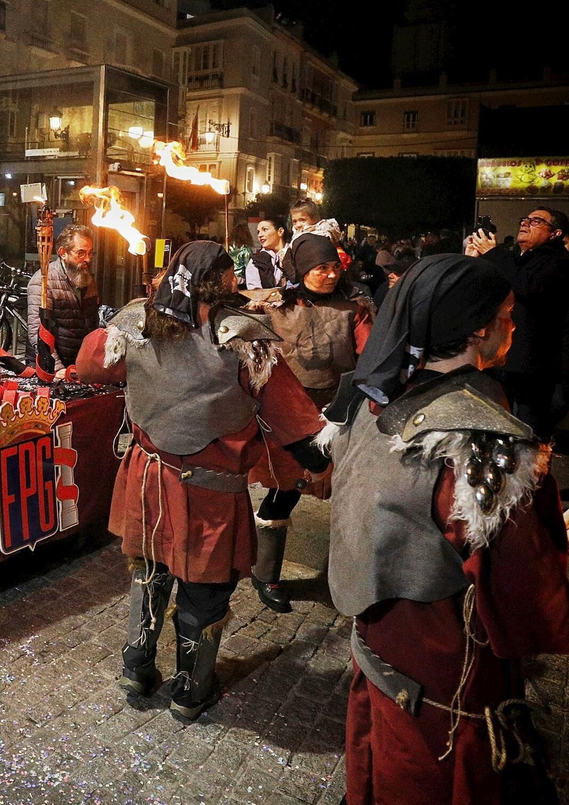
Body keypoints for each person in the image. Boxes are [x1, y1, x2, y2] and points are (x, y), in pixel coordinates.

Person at [322, 254, 569, 804]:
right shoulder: (483, 442)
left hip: (379, 649)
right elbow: (523, 603)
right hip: (447, 673)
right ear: (479, 328)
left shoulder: (366, 400)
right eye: (508, 314)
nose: (513, 325)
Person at [73, 241, 327, 720]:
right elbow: (295, 419)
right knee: (204, 587)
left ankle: (137, 666)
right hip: (210, 490)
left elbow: (89, 364)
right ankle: (190, 691)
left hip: (150, 476)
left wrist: (121, 320)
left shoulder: (136, 322)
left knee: (150, 571)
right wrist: (319, 464)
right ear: (226, 282)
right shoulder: (246, 340)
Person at [246, 230, 374, 613]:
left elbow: (368, 359)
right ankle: (264, 572)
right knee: (284, 492)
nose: (330, 274)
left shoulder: (355, 309)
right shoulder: (273, 306)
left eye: (335, 266)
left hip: (338, 414)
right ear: (302, 269)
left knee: (351, 497)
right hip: (286, 418)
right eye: (321, 268)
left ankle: (354, 579)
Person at [466, 206, 569, 437]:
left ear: (555, 233)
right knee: (493, 427)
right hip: (499, 359)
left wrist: (493, 254)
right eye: (525, 219)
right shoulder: (513, 259)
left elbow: (528, 287)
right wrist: (474, 261)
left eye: (536, 221)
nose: (525, 223)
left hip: (532, 366)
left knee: (529, 432)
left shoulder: (562, 261)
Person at [24, 225, 101, 380]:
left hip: (77, 365)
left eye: (90, 253)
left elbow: (92, 323)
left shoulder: (88, 280)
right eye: (81, 253)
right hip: (49, 366)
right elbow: (37, 332)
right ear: (63, 253)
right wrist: (57, 368)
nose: (87, 259)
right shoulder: (43, 281)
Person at [245, 217, 287, 290]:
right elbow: (255, 292)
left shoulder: (295, 253)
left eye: (265, 229)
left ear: (280, 231)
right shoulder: (256, 261)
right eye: (258, 232)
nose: (260, 235)